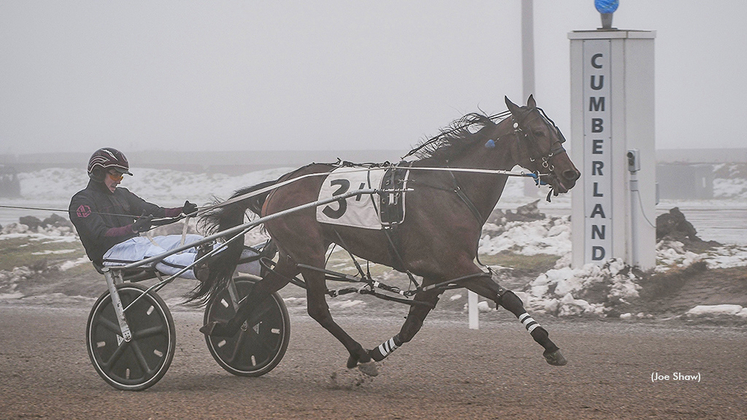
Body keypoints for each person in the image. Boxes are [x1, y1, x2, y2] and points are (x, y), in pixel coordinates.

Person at [69, 147, 224, 280]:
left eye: (121, 176)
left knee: (196, 241)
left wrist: (182, 211)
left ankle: (229, 256)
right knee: (154, 253)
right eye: (116, 175)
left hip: (136, 245)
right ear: (97, 172)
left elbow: (153, 210)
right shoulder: (82, 201)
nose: (119, 180)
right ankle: (198, 266)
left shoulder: (122, 194)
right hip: (110, 254)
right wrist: (133, 229)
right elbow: (99, 234)